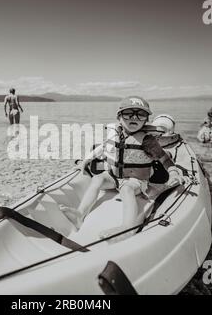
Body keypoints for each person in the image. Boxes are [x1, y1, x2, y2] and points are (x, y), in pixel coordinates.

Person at [62, 96, 188, 237]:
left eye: (140, 115)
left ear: (146, 120)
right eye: (128, 114)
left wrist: (174, 172)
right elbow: (103, 148)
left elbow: (164, 159)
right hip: (114, 177)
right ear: (119, 117)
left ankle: (127, 227)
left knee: (127, 189)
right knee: (97, 179)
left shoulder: (147, 140)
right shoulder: (116, 133)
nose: (134, 117)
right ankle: (80, 214)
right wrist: (85, 161)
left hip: (136, 182)